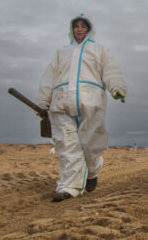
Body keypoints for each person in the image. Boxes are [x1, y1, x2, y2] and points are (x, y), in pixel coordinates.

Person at [36, 14, 127, 202]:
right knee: (67, 144)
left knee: (90, 144)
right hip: (61, 103)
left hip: (90, 102)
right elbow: (49, 77)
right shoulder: (61, 52)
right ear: (71, 29)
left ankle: (93, 169)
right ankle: (69, 187)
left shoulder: (99, 50)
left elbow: (110, 71)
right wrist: (42, 102)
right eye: (76, 26)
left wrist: (117, 88)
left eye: (83, 26)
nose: (79, 29)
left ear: (89, 29)